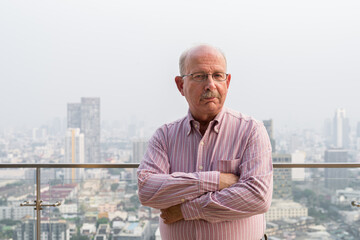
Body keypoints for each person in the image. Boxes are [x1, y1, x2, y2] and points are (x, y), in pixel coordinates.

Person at [137, 44, 273, 240]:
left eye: (218, 76)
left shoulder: (251, 130)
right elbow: (147, 190)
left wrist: (186, 210)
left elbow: (257, 197)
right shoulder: (165, 136)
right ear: (180, 85)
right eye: (199, 76)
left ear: (227, 82)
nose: (210, 85)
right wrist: (217, 180)